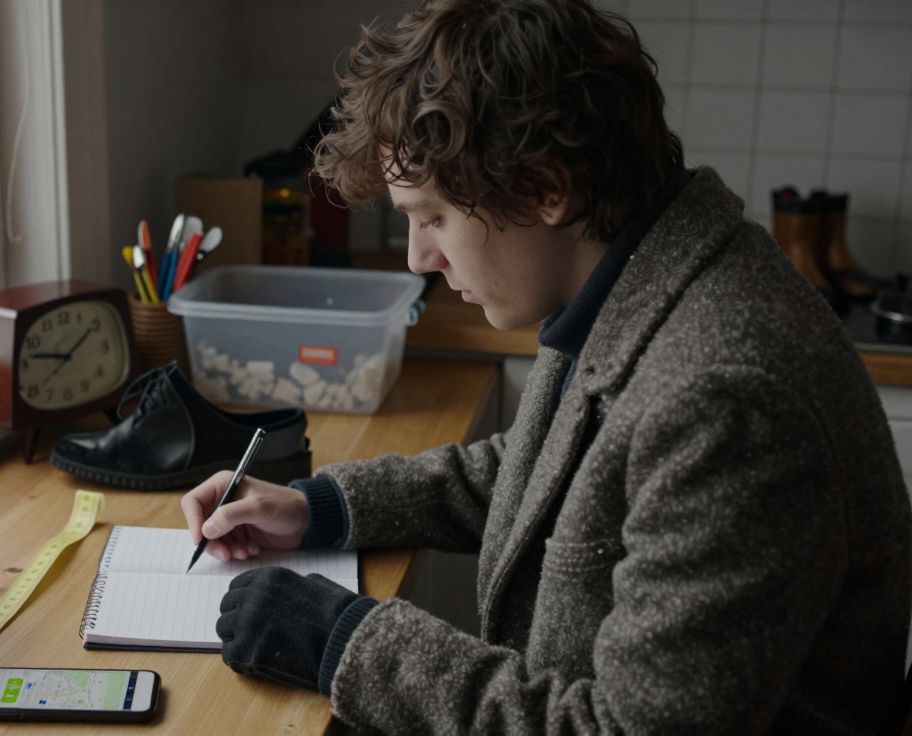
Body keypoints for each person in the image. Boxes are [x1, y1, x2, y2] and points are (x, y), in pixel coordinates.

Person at [180, 0, 912, 733]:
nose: (418, 259)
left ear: (545, 189)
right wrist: (318, 508)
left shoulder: (726, 396)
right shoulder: (631, 279)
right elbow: (555, 474)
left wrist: (347, 641)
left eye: (432, 217)